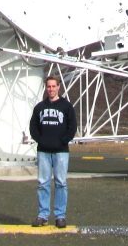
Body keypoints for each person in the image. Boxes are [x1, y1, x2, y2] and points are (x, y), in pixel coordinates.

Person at [28, 75, 77, 228]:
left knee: (61, 183)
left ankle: (60, 216)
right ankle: (42, 215)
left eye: (53, 86)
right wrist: (41, 140)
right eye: (48, 86)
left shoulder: (67, 107)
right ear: (46, 88)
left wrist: (62, 141)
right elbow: (33, 127)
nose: (51, 89)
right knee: (43, 183)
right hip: (43, 151)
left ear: (58, 87)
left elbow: (72, 127)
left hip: (61, 151)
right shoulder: (39, 107)